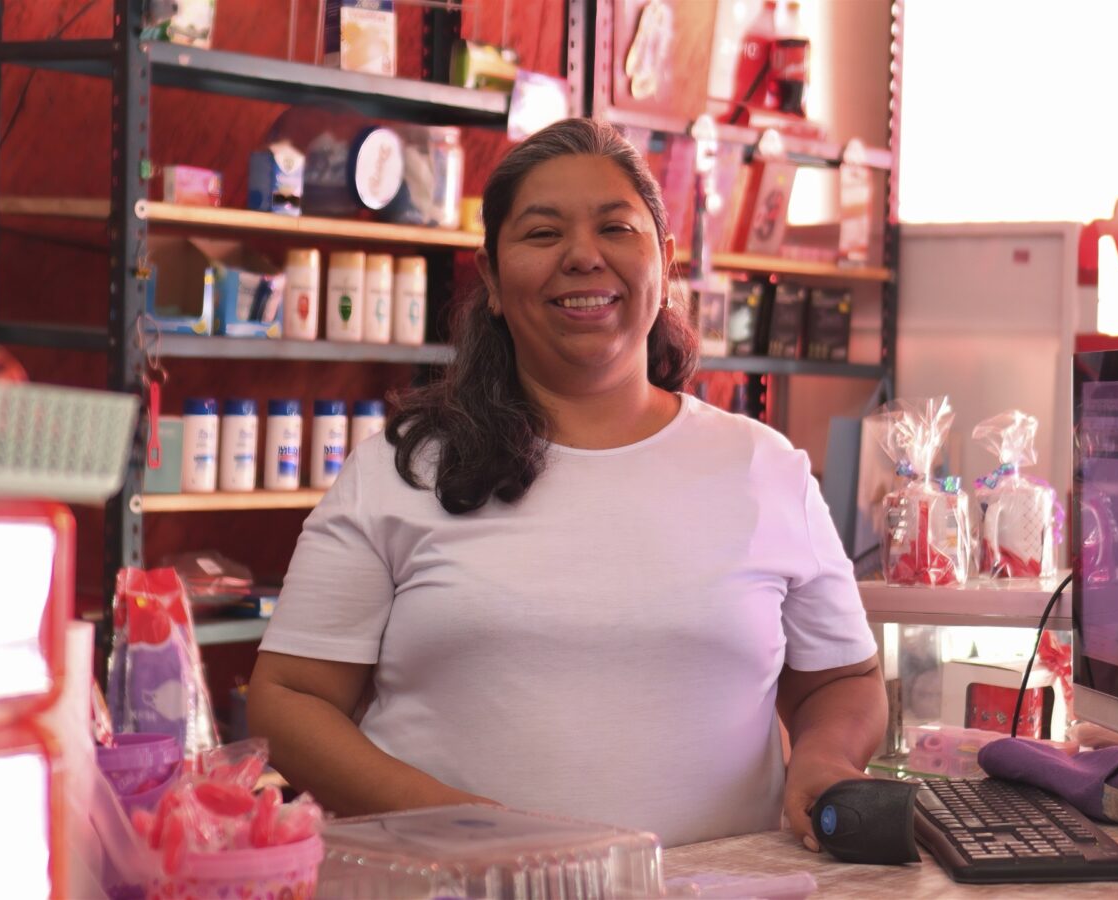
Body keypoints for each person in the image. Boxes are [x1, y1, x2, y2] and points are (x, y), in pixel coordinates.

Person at [249, 117, 885, 849]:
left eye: (616, 228)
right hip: (460, 890)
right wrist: (466, 831)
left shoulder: (764, 466)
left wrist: (825, 758)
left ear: (664, 261)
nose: (583, 256)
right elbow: (289, 698)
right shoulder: (404, 469)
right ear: (492, 279)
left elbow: (841, 679)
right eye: (543, 233)